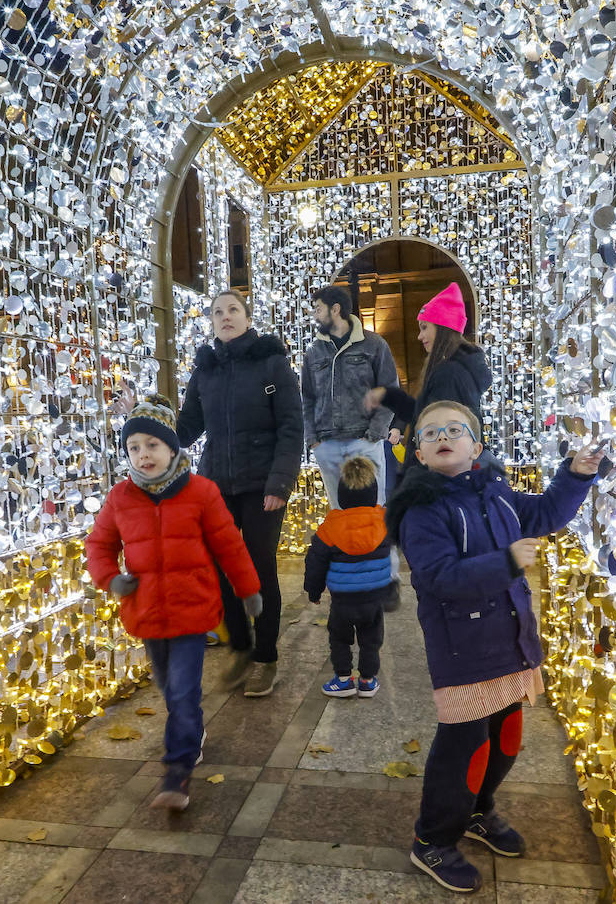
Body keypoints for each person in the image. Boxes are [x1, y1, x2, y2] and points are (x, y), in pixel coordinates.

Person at [385, 400, 602, 894]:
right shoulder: (421, 512)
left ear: (476, 447)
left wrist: (575, 475)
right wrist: (503, 562)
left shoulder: (496, 492)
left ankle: (478, 811)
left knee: (505, 739)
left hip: (511, 641)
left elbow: (545, 512)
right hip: (463, 651)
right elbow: (438, 578)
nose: (443, 435)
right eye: (430, 432)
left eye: (455, 429)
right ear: (418, 453)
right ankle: (433, 839)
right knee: (466, 748)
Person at [85, 396, 263, 811]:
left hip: (191, 610)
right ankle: (192, 732)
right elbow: (99, 545)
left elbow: (229, 546)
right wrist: (110, 579)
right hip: (146, 613)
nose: (143, 455)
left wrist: (248, 588)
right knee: (170, 690)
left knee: (182, 692)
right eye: (134, 447)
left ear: (172, 448)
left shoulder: (201, 492)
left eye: (153, 445)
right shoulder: (120, 497)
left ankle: (177, 772)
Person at [178, 290, 304, 698]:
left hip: (263, 485)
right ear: (212, 322)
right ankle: (241, 647)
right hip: (217, 485)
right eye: (218, 312)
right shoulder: (207, 368)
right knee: (221, 568)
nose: (225, 317)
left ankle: (265, 657)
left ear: (247, 318)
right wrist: (145, 418)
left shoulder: (271, 361)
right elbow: (186, 427)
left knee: (259, 567)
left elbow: (291, 426)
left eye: (233, 310)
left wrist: (280, 483)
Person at [302, 284, 404, 610]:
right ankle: (350, 583)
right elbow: (305, 398)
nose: (314, 315)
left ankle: (389, 580)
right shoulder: (313, 352)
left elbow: (390, 390)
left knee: (376, 512)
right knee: (339, 515)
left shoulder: (374, 345)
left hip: (365, 441)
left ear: (335, 309)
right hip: (328, 444)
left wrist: (375, 433)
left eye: (317, 308)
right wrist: (313, 439)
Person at [364, 282, 491, 474]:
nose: (419, 336)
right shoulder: (455, 370)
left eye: (424, 328)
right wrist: (388, 396)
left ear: (442, 328)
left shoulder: (448, 374)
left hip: (438, 479)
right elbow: (425, 415)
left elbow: (436, 428)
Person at [303, 456, 389, 699]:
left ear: (341, 495)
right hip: (374, 597)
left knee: (339, 638)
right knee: (371, 639)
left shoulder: (330, 527)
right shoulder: (384, 523)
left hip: (343, 600)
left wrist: (314, 591)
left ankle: (343, 680)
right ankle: (368, 681)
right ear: (373, 494)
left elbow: (315, 561)